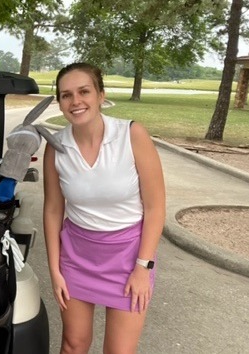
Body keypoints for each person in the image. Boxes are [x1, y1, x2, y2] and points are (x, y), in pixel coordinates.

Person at [43, 62, 166, 353]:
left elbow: (156, 208)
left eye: (84, 91)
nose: (75, 101)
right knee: (74, 344)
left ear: (101, 94)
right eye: (66, 95)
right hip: (77, 257)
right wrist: (54, 269)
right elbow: (52, 210)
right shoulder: (56, 146)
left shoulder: (131, 135)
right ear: (59, 102)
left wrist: (142, 268)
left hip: (129, 260)